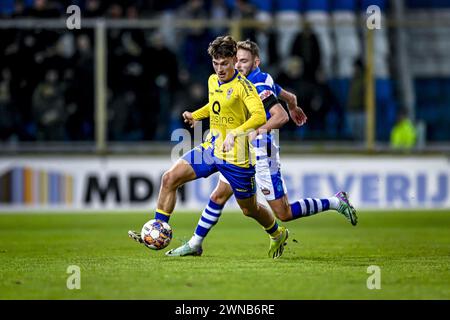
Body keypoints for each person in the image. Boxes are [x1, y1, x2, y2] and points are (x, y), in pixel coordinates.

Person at [167, 40, 358, 258]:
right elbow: (290, 97)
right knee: (219, 196)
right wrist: (294, 105)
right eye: (236, 60)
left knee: (283, 213)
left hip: (261, 153)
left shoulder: (258, 85)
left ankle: (335, 202)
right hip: (237, 151)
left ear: (255, 62)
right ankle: (195, 243)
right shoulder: (249, 80)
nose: (238, 65)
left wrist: (258, 130)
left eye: (243, 61)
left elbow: (280, 116)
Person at [128, 35, 288, 258]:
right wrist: (196, 115)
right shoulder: (213, 80)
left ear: (233, 59)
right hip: (212, 149)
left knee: (248, 209)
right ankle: (157, 229)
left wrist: (236, 133)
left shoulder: (245, 88)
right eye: (216, 63)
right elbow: (215, 106)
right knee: (169, 178)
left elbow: (260, 116)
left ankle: (277, 233)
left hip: (238, 158)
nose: (220, 68)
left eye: (224, 63)